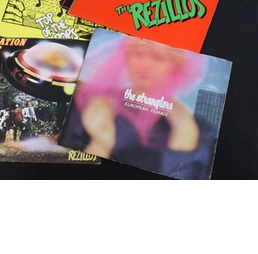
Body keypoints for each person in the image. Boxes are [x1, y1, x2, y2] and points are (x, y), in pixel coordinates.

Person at [65, 34, 215, 179]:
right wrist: (100, 142)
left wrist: (185, 132)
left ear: (176, 67)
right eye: (137, 54)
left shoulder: (200, 131)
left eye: (158, 58)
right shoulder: (90, 107)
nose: (145, 64)